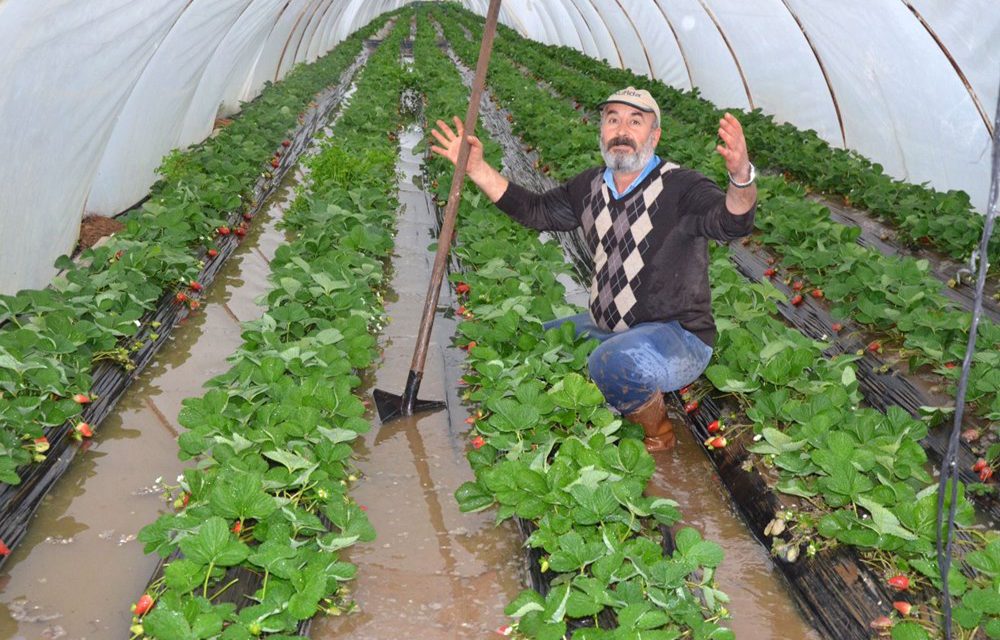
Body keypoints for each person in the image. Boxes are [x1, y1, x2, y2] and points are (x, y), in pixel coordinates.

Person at [430, 87, 757, 452]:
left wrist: (741, 175)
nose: (622, 130)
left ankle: (660, 433)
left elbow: (732, 222)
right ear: (601, 130)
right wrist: (476, 167)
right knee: (537, 343)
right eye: (613, 119)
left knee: (612, 363)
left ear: (655, 135)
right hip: (606, 328)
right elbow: (536, 211)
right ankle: (602, 400)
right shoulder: (589, 186)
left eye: (636, 121)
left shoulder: (680, 186)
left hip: (676, 338)